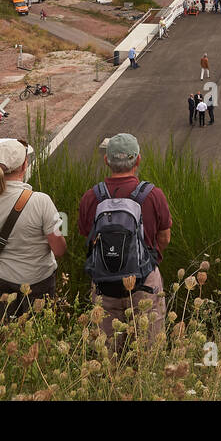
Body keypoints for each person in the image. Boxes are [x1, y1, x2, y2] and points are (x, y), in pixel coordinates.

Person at [77, 133, 171, 353]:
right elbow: (164, 238)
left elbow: (87, 238)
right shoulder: (153, 195)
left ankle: (110, 386)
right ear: (138, 160)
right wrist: (148, 258)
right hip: (144, 283)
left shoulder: (91, 197)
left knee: (106, 355)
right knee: (149, 352)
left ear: (106, 161)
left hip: (104, 285)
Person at [0, 139, 65, 319]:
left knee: (6, 334)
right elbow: (59, 249)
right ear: (24, 165)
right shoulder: (41, 201)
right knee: (38, 335)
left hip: (1, 280)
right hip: (38, 282)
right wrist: (61, 225)